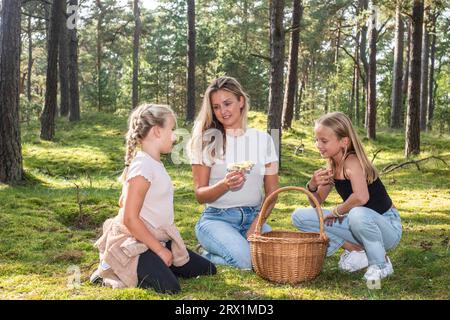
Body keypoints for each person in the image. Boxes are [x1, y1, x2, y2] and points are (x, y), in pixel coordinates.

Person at [91, 104, 216, 294]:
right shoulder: (143, 166)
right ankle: (111, 268)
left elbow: (124, 202)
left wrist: (162, 247)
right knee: (170, 288)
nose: (174, 136)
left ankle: (159, 262)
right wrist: (159, 250)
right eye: (171, 129)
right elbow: (129, 218)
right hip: (135, 244)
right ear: (157, 131)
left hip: (155, 237)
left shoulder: (152, 163)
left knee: (207, 269)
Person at [291, 112, 402, 282]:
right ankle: (357, 250)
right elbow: (317, 202)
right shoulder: (332, 166)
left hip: (387, 227)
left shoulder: (352, 161)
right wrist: (312, 184)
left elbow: (361, 197)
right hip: (358, 223)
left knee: (357, 213)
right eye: (317, 140)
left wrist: (336, 212)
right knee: (300, 216)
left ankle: (381, 264)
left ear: (344, 141)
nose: (318, 145)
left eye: (324, 141)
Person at [188, 76, 279, 270]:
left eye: (227, 103)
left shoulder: (265, 140)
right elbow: (200, 195)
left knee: (276, 258)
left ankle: (227, 249)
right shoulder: (206, 141)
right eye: (216, 107)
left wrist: (257, 224)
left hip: (254, 217)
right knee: (247, 261)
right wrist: (224, 185)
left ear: (241, 101)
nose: (223, 111)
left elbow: (273, 193)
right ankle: (205, 255)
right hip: (216, 219)